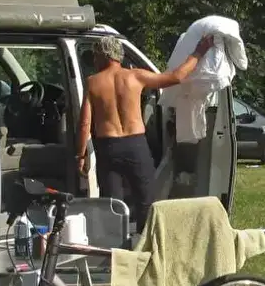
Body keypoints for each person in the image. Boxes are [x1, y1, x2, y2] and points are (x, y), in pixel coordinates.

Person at [76, 35, 214, 226]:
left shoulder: (93, 82)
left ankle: (116, 240)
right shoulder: (135, 76)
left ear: (103, 55)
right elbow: (176, 76)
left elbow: (84, 123)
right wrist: (199, 52)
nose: (94, 60)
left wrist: (80, 155)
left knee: (112, 203)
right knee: (145, 198)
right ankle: (144, 238)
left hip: (108, 148)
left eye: (95, 56)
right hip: (135, 145)